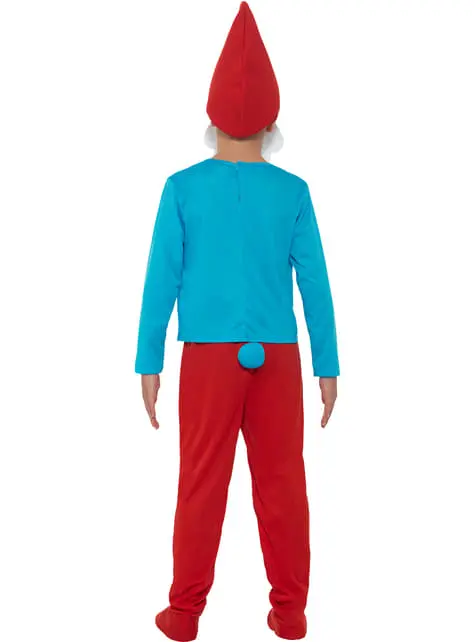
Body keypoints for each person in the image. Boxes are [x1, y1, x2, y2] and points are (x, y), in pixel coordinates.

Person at [134, 2, 339, 640]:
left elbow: (161, 280)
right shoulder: (294, 191)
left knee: (201, 481)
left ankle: (184, 612)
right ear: (273, 119)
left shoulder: (182, 188)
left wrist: (149, 359)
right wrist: (327, 365)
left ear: (211, 112)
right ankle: (290, 611)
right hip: (277, 357)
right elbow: (315, 286)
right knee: (283, 484)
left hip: (207, 359)